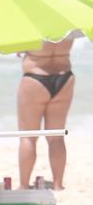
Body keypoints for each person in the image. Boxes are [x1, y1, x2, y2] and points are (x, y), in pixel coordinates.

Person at [17, 40, 75, 190]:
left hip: (35, 75)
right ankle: (58, 184)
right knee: (56, 136)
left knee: (28, 137)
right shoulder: (67, 21)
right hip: (64, 76)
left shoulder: (33, 21)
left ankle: (24, 185)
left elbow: (16, 47)